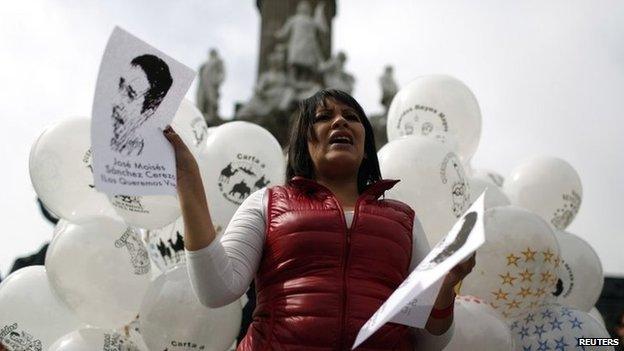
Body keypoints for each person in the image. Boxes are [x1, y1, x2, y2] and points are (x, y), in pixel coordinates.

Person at [163, 89, 475, 350]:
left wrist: (446, 286)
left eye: (351, 117)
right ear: (304, 143)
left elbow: (430, 340)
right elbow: (216, 289)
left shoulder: (404, 220)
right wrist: (188, 178)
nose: (340, 120)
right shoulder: (268, 203)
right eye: (324, 117)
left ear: (366, 145)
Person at [111, 54, 173, 156]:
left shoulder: (146, 157)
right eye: (120, 85)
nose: (116, 100)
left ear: (148, 112)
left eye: (130, 95)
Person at [196, 48, 225, 123]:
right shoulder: (205, 64)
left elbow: (222, 73)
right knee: (202, 99)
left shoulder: (218, 61)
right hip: (203, 84)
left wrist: (217, 81)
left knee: (211, 100)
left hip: (212, 84)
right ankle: (202, 115)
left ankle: (212, 116)